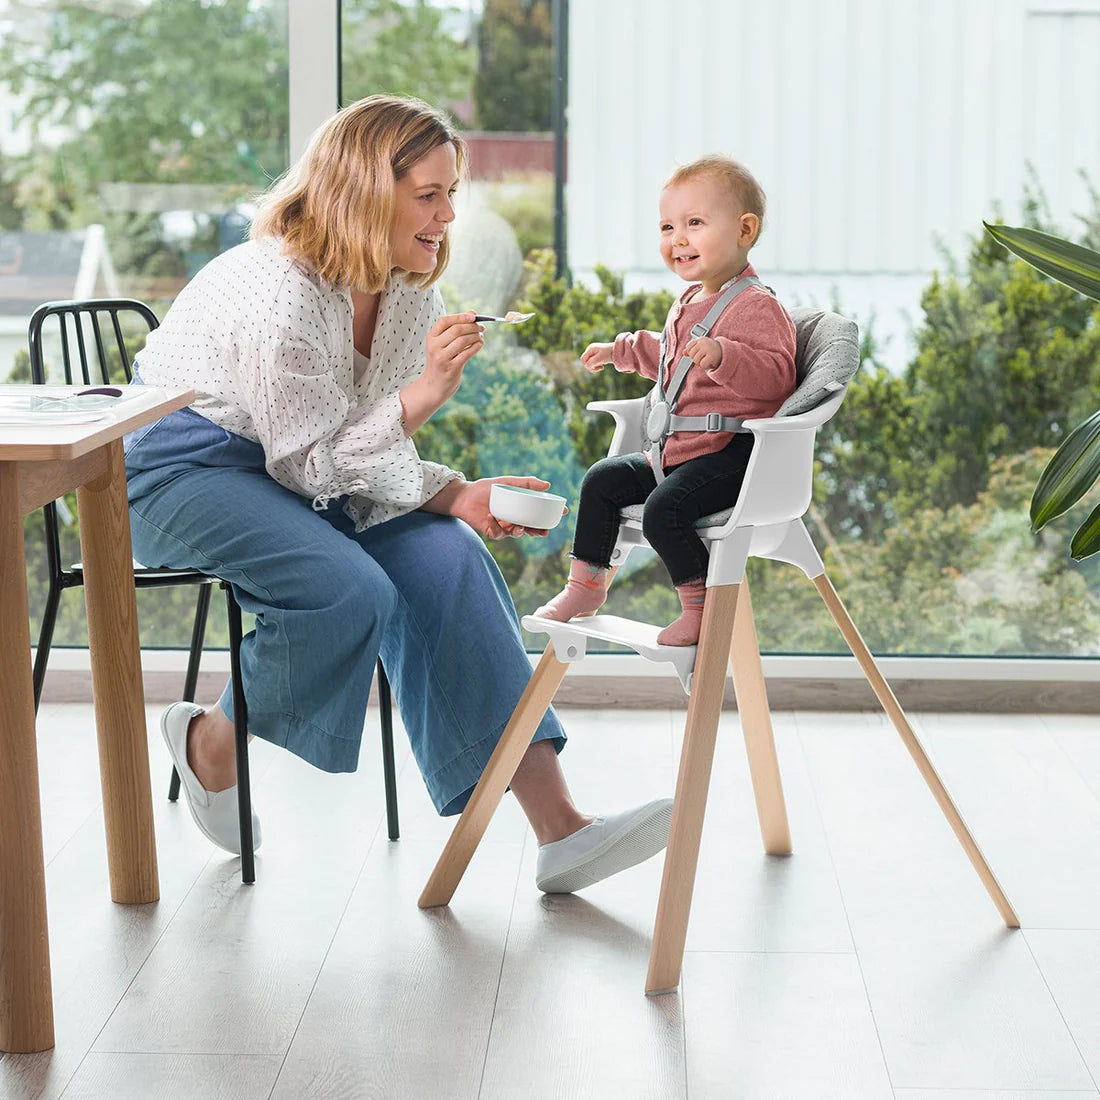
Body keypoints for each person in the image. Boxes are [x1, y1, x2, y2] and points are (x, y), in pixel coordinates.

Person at [124, 94, 672, 895]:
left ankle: (561, 831)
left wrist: (452, 498)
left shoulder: (412, 290)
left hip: (299, 468)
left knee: (450, 560)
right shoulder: (278, 292)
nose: (448, 215)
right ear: (362, 191)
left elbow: (352, 447)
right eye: (429, 194)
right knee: (345, 589)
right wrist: (423, 395)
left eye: (453, 194)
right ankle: (211, 742)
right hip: (187, 471)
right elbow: (314, 466)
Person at [534, 156, 797, 645]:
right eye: (668, 226)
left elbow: (779, 378)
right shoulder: (690, 300)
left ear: (744, 230)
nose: (678, 237)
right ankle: (585, 586)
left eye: (695, 223)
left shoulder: (757, 306)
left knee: (662, 510)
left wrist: (725, 354)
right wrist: (623, 351)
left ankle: (699, 607)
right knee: (602, 480)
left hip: (730, 455)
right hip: (677, 452)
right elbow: (672, 360)